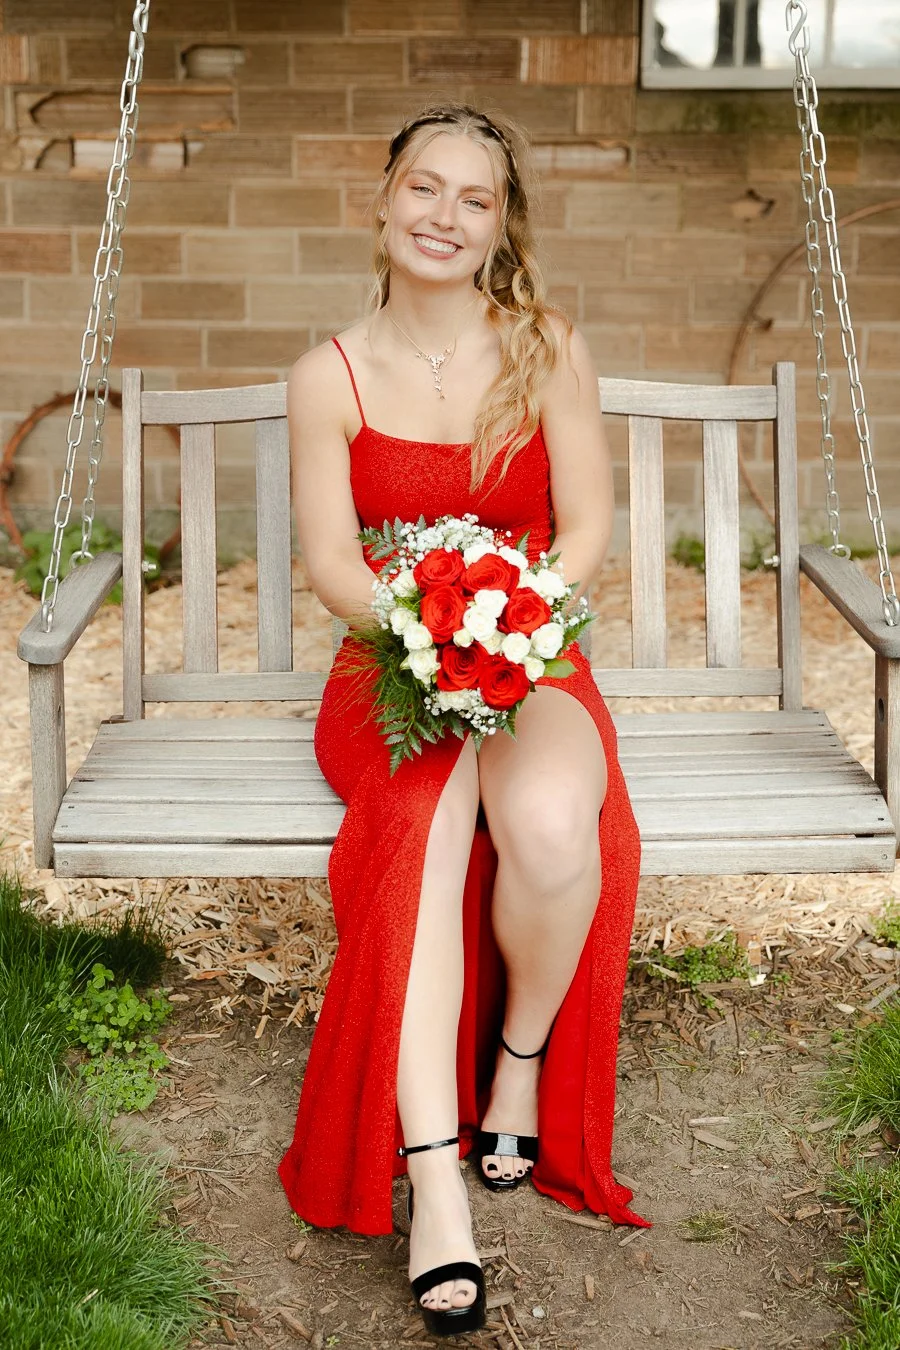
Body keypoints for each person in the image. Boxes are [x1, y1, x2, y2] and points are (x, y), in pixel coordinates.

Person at [277, 102, 650, 1338]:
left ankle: (519, 1064)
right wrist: (424, 638)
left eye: (474, 199)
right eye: (424, 188)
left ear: (501, 227)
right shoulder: (326, 376)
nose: (444, 216)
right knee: (421, 835)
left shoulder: (547, 349)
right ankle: (436, 1183)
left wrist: (512, 623)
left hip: (528, 649)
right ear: (383, 200)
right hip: (388, 667)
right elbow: (333, 563)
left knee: (548, 826)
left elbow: (585, 528)